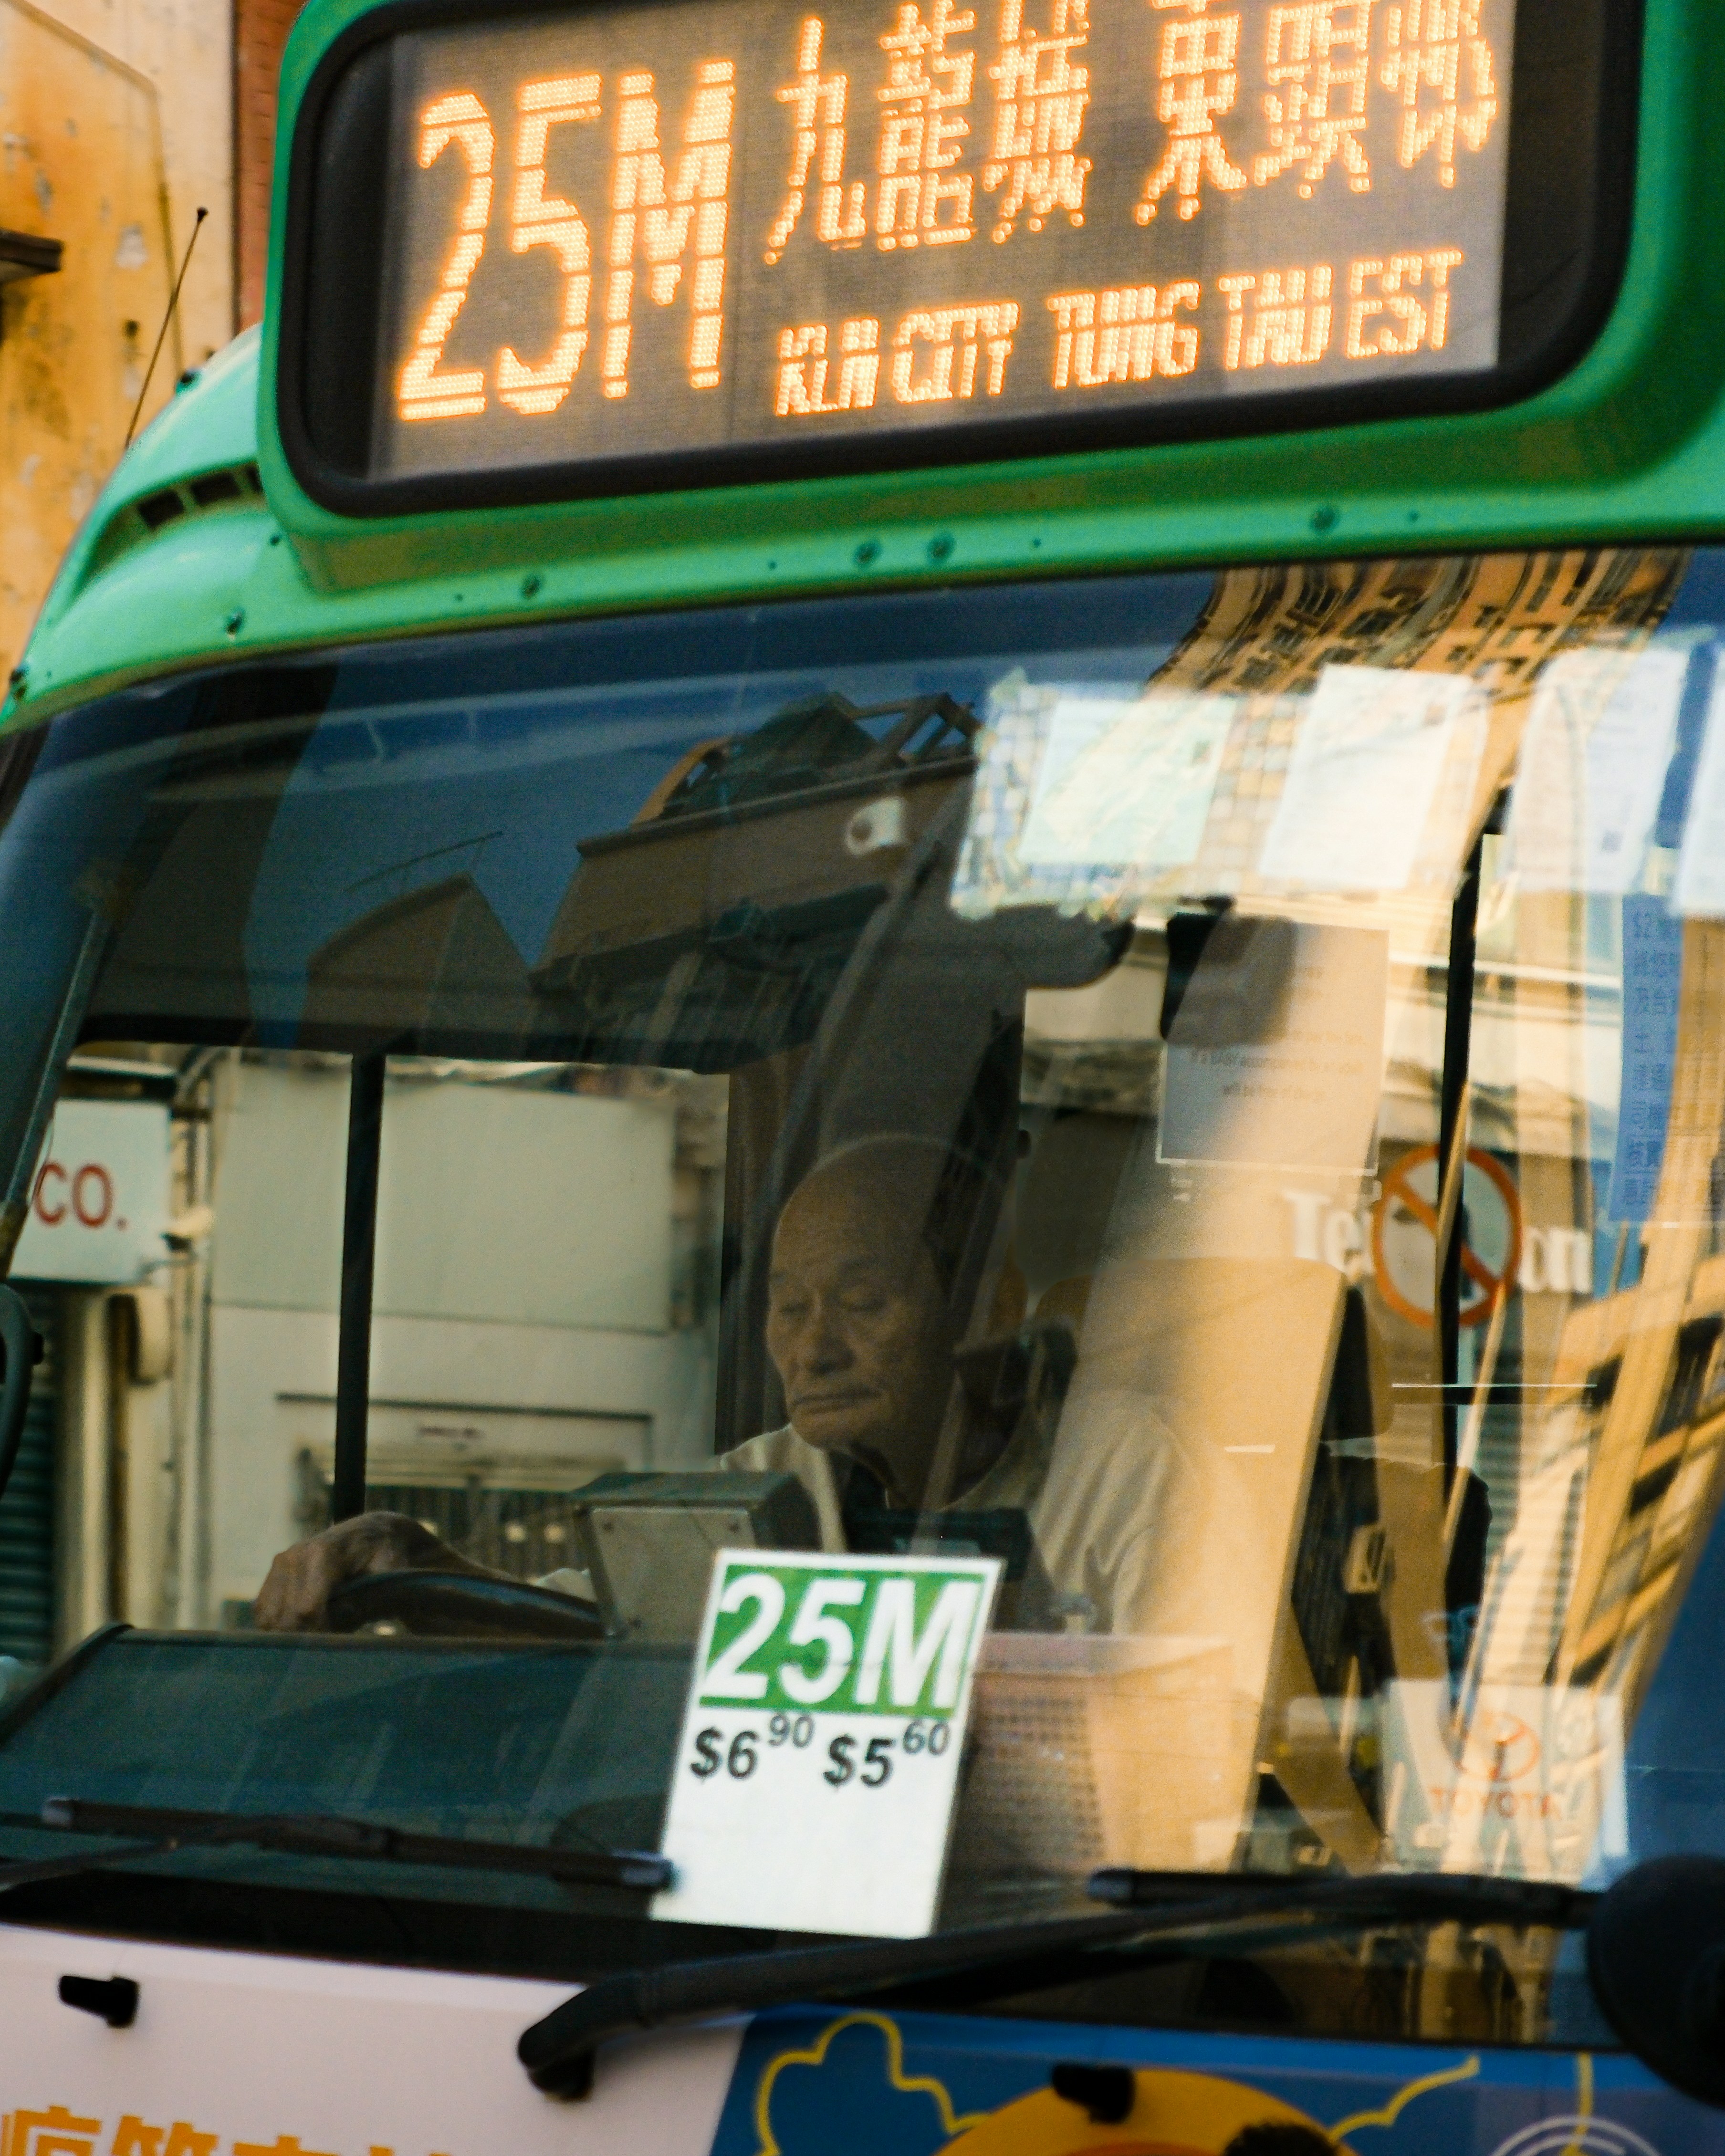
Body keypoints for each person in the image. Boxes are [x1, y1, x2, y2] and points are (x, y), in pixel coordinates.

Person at [252, 1137, 1193, 1634]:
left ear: (986, 1308)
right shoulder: (765, 1489)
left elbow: (1194, 1752)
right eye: (788, 1308)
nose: (812, 1349)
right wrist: (407, 1556)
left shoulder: (1133, 1472)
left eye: (861, 1302)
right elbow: (584, 1626)